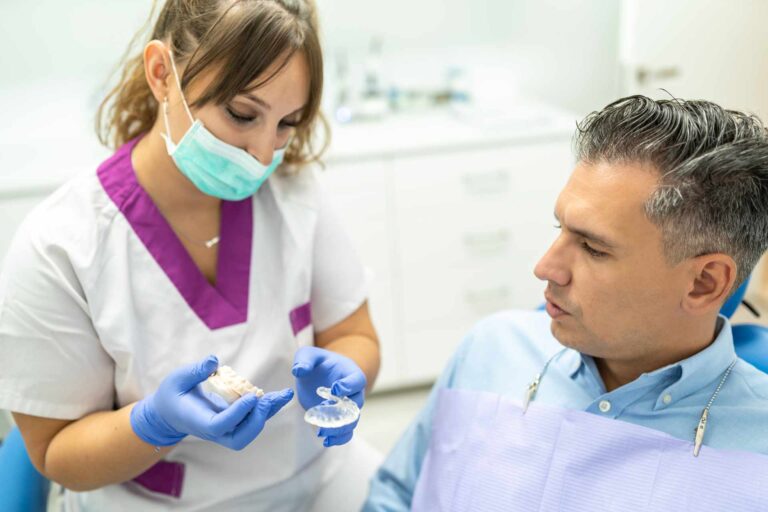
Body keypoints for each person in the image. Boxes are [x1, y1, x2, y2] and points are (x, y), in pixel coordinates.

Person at [0, 1, 381, 510]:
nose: (263, 153)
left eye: (287, 123)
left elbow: (353, 334)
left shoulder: (295, 192)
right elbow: (54, 452)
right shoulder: (60, 246)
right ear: (162, 74)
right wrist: (153, 424)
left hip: (316, 480)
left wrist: (349, 374)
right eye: (242, 114)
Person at [363, 96, 768, 511]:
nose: (545, 267)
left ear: (703, 283)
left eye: (593, 248)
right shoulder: (491, 349)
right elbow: (394, 494)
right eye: (561, 229)